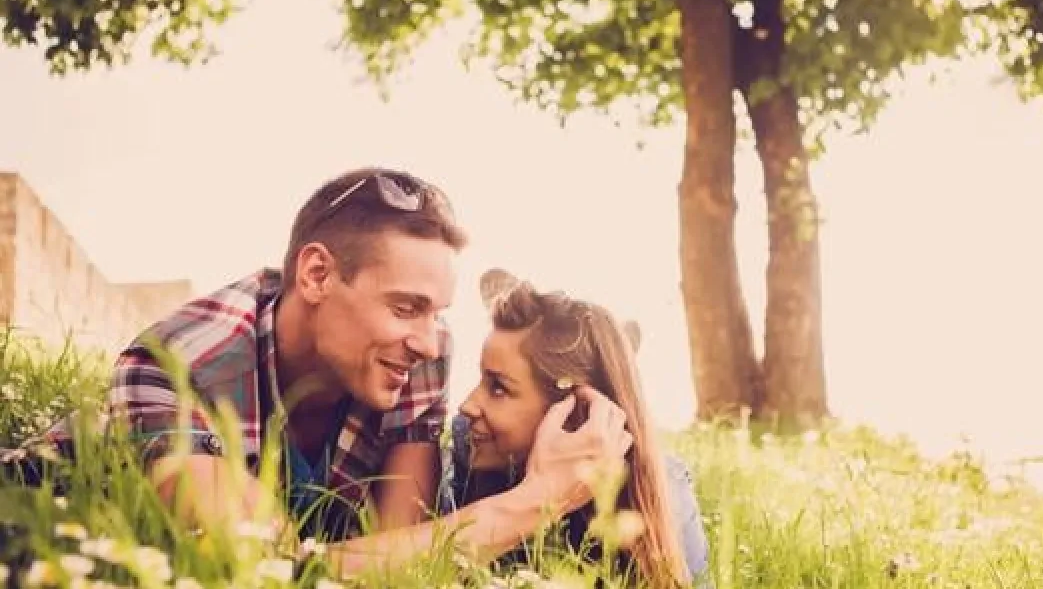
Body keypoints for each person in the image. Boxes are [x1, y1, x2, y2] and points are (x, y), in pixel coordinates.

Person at [17, 166, 633, 578]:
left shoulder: (414, 350)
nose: (427, 340)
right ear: (315, 275)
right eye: (404, 306)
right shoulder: (177, 366)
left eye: (434, 313)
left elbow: (404, 564)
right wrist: (536, 500)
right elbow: (268, 572)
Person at [440, 269, 709, 587]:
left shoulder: (661, 487)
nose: (466, 405)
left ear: (574, 411)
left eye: (498, 387)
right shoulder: (467, 455)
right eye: (481, 380)